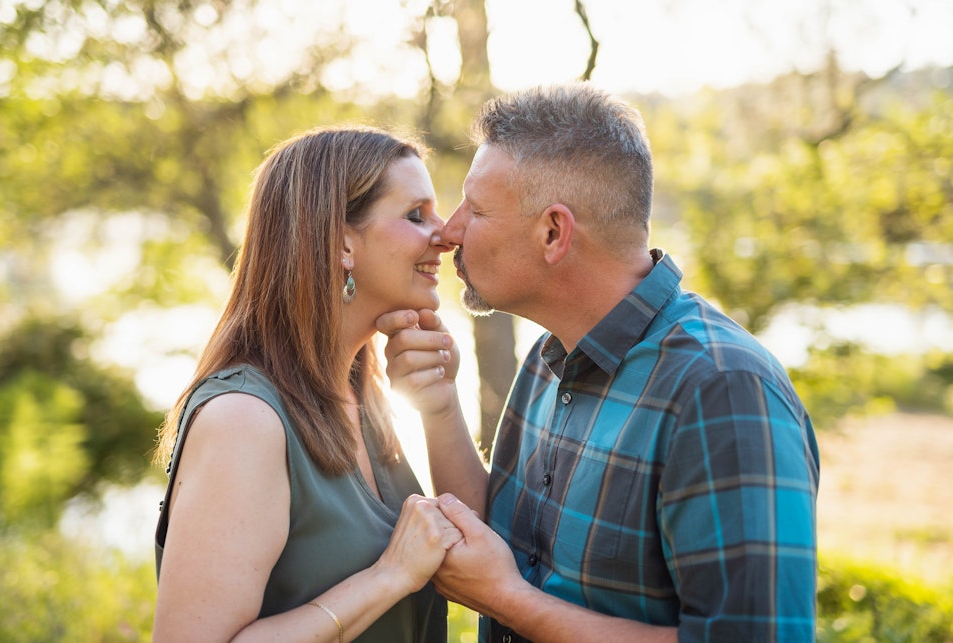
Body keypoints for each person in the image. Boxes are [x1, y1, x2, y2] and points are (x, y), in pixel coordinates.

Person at [378, 83, 820, 642]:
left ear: (553, 233)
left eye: (478, 209)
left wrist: (508, 601)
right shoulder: (550, 358)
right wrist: (440, 406)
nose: (449, 230)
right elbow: (504, 545)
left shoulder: (723, 389)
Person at [152, 125, 463, 643]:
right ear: (342, 243)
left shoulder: (364, 395)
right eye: (416, 215)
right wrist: (389, 577)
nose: (447, 233)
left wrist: (441, 407)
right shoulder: (243, 421)